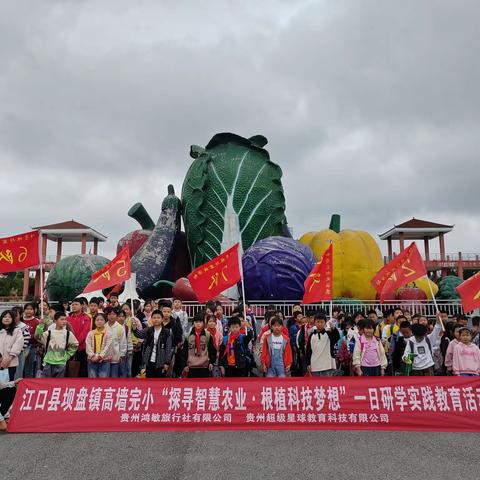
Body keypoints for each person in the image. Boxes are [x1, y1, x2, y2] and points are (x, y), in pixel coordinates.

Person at [132, 310, 174, 378]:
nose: (156, 319)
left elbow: (168, 348)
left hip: (161, 362)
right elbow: (139, 334)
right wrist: (134, 328)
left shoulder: (167, 332)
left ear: (162, 319)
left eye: (158, 318)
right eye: (154, 318)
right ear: (151, 319)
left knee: (160, 383)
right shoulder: (149, 330)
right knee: (149, 381)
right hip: (149, 361)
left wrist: (167, 363)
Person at [38, 311, 79, 378]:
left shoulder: (68, 333)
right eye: (62, 319)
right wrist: (40, 325)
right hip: (48, 362)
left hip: (61, 363)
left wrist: (67, 355)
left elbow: (75, 344)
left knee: (58, 384)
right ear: (55, 321)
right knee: (46, 383)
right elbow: (37, 336)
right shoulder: (49, 333)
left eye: (65, 319)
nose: (64, 321)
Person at [181, 312, 216, 378]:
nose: (198, 324)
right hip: (191, 366)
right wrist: (184, 365)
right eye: (196, 322)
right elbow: (184, 351)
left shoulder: (208, 335)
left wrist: (211, 362)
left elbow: (212, 350)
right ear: (193, 323)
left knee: (204, 386)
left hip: (204, 366)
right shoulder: (188, 335)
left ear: (203, 323)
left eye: (200, 322)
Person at [306, 312, 340, 376]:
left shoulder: (329, 334)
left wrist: (333, 328)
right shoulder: (311, 335)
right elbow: (308, 351)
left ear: (325, 322)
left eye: (321, 322)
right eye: (318, 322)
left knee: (327, 385)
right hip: (314, 365)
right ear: (314, 322)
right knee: (316, 385)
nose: (319, 324)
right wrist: (308, 364)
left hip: (327, 366)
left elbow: (336, 337)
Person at [68, 298, 91, 377]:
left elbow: (85, 333)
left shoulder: (86, 318)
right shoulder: (68, 318)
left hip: (82, 348)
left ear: (82, 305)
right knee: (70, 371)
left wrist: (76, 343)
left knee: (82, 371)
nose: (74, 306)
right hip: (70, 348)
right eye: (73, 304)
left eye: (76, 304)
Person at [86, 313, 113, 378]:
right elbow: (88, 345)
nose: (99, 322)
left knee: (103, 379)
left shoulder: (108, 334)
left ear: (105, 321)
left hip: (104, 360)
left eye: (101, 320)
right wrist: (92, 356)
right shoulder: (90, 333)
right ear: (94, 322)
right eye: (97, 320)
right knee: (92, 378)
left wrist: (100, 357)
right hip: (92, 359)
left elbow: (108, 347)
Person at [0, 310, 24, 380]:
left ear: (13, 319)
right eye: (5, 317)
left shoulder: (17, 331)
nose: (7, 318)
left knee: (8, 382)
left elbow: (18, 344)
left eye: (9, 317)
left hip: (11, 362)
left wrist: (9, 358)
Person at [104, 307, 127, 378]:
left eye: (114, 314)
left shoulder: (120, 328)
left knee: (114, 377)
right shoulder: (104, 327)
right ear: (107, 316)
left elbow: (123, 343)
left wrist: (121, 355)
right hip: (105, 358)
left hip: (116, 357)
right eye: (110, 314)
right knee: (105, 377)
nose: (111, 316)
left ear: (116, 316)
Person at [21, 302, 40, 378]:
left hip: (32, 348)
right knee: (20, 368)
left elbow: (38, 336)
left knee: (29, 369)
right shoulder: (21, 320)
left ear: (35, 310)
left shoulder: (37, 321)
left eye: (31, 309)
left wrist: (28, 336)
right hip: (20, 348)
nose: (29, 311)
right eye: (27, 309)